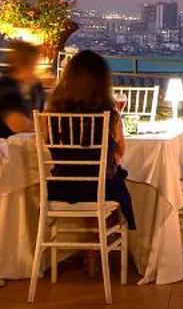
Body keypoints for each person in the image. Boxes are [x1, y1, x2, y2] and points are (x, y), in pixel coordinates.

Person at [44, 48, 135, 226]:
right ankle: (101, 243)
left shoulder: (50, 115)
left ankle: (93, 245)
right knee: (116, 179)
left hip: (62, 188)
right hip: (101, 190)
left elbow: (47, 143)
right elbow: (121, 151)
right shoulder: (110, 115)